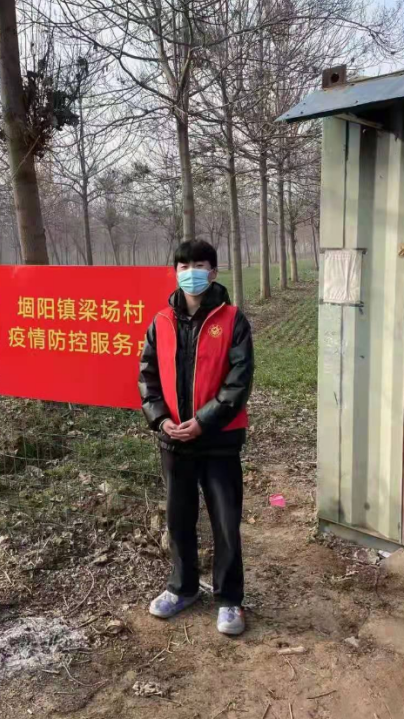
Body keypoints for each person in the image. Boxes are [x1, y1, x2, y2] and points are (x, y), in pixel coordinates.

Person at [139, 239, 254, 636]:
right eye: (184, 266)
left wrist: (204, 422)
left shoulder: (233, 320)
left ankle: (230, 599)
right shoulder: (161, 322)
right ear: (175, 273)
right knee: (179, 518)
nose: (191, 273)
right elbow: (147, 376)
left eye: (199, 266)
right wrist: (160, 420)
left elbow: (239, 381)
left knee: (225, 521)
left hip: (219, 439)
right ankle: (182, 587)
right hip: (174, 440)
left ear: (214, 272)